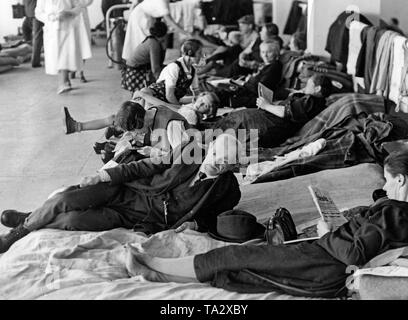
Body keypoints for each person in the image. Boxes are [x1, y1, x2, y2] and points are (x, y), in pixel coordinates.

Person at [125, 150, 408, 298]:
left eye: (387, 179)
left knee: (235, 255)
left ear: (401, 180)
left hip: (325, 264)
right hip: (324, 259)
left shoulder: (396, 213)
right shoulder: (395, 212)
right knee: (246, 264)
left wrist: (330, 231)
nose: (384, 185)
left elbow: (353, 255)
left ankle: (156, 265)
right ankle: (160, 275)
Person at [0, 134, 243, 253]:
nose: (217, 166)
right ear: (210, 149)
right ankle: (17, 233)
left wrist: (195, 223)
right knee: (66, 199)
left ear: (232, 167)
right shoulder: (191, 149)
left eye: (225, 165)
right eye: (216, 158)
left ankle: (32, 217)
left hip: (142, 217)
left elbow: (215, 218)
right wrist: (105, 175)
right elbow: (149, 165)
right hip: (128, 190)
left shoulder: (229, 190)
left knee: (72, 221)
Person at [214, 74, 334, 149]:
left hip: (274, 126)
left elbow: (285, 112)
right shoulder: (312, 101)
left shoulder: (311, 101)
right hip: (273, 122)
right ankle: (211, 138)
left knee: (242, 119)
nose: (304, 87)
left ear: (317, 89)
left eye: (308, 85)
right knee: (240, 117)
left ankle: (208, 140)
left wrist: (266, 105)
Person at [63, 101, 192, 157]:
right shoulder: (152, 111)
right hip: (164, 151)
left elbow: (183, 156)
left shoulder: (171, 124)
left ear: (140, 122)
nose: (134, 134)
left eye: (134, 131)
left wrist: (154, 152)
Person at [35, 0, 90, 94]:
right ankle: (65, 81)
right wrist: (51, 17)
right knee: (56, 57)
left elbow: (79, 7)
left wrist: (70, 13)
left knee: (65, 56)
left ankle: (63, 82)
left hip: (68, 28)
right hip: (52, 29)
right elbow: (38, 12)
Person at [216, 40, 283, 109]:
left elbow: (261, 89)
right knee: (223, 91)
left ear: (276, 53)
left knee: (224, 98)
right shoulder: (264, 64)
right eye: (262, 52)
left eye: (269, 52)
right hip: (249, 91)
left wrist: (244, 83)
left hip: (259, 98)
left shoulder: (275, 67)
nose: (265, 55)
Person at [122, 0, 192, 63]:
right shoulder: (162, 1)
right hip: (141, 18)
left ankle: (147, 65)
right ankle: (143, 65)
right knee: (145, 43)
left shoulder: (165, 1)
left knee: (148, 44)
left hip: (145, 17)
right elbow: (170, 21)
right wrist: (186, 33)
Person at [140, 39, 203, 105]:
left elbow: (196, 94)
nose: (201, 56)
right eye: (199, 53)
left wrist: (200, 99)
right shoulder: (175, 67)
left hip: (168, 102)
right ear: (190, 53)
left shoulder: (192, 71)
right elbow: (169, 96)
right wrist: (180, 108)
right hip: (154, 100)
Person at [121, 20, 168, 95]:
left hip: (133, 70)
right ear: (164, 34)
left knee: (140, 96)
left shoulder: (152, 40)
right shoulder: (154, 44)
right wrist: (161, 86)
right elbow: (155, 69)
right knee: (141, 96)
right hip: (135, 74)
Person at [133, 90, 220, 127]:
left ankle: (128, 122)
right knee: (145, 93)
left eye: (205, 105)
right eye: (201, 100)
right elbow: (176, 106)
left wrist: (142, 95)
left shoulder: (192, 114)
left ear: (209, 111)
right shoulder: (193, 108)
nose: (200, 104)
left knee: (144, 93)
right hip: (162, 118)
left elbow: (166, 105)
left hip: (159, 122)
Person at [70, 0, 93, 83]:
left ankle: (81, 72)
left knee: (84, 46)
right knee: (72, 46)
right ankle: (73, 69)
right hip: (71, 18)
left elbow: (89, 1)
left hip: (83, 18)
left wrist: (79, 4)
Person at [22, 0, 44, 68]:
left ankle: (35, 62)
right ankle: (32, 55)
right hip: (28, 15)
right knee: (26, 32)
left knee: (37, 39)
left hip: (36, 15)